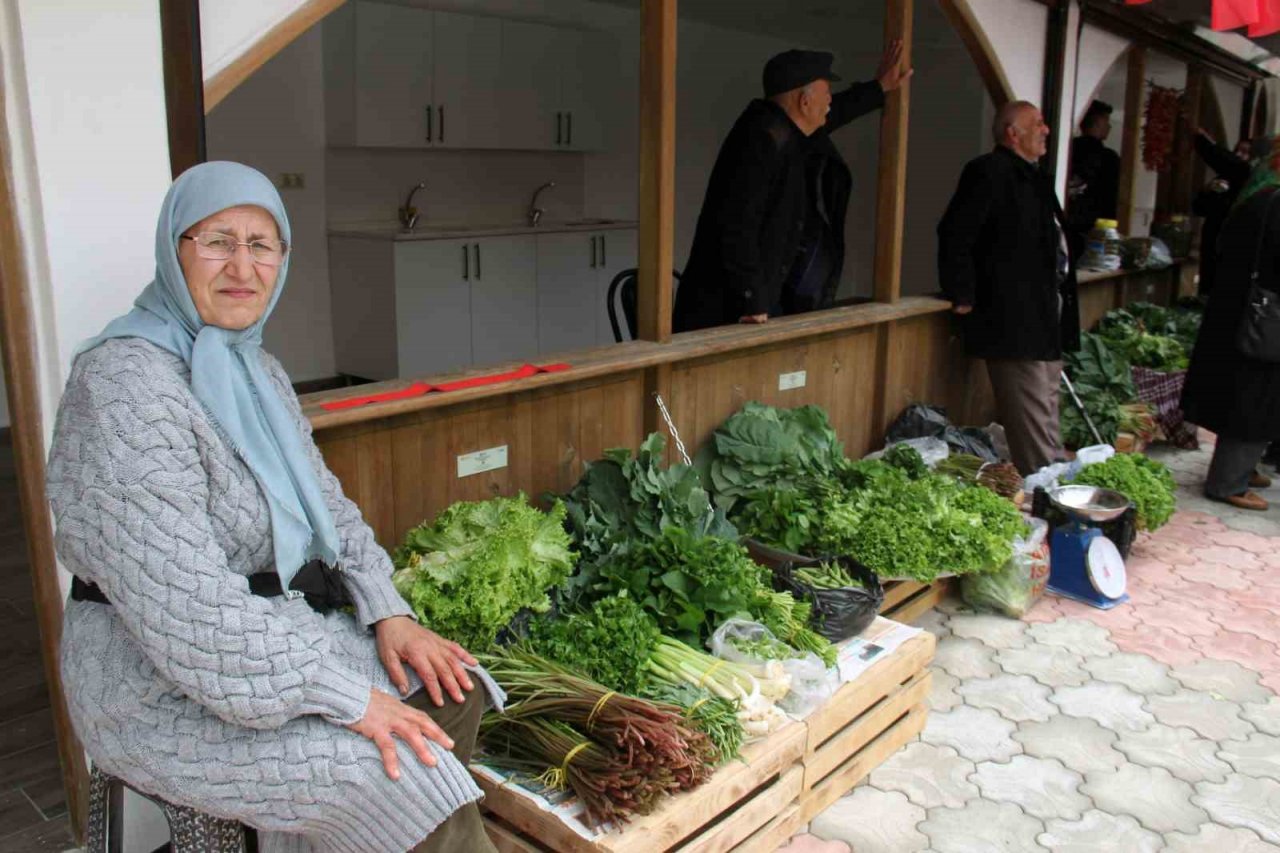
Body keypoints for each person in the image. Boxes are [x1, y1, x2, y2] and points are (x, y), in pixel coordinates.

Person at [46, 162, 502, 851]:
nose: (242, 265)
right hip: (152, 681)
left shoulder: (254, 367)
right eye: (217, 240)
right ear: (176, 249)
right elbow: (188, 611)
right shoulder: (123, 386)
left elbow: (328, 506)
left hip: (269, 636)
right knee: (398, 774)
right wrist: (349, 699)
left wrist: (388, 609)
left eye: (262, 244)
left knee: (450, 687)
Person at [672, 42, 913, 332]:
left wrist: (879, 88)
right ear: (804, 101)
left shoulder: (786, 130)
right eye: (826, 95)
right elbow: (736, 224)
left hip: (757, 299)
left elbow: (835, 115)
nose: (829, 104)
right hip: (728, 308)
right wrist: (752, 299)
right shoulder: (760, 141)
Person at [937, 101, 1081, 475]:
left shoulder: (1033, 177)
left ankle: (1053, 488)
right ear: (1012, 133)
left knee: (1046, 410)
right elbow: (956, 233)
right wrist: (962, 293)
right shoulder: (988, 171)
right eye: (1037, 124)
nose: (1046, 129)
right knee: (1032, 420)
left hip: (1045, 316)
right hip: (1013, 317)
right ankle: (1047, 493)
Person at [1181, 140, 1280, 511]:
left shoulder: (1257, 196)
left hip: (1239, 312)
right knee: (1257, 398)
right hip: (1264, 320)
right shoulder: (1275, 203)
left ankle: (1244, 469)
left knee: (1244, 395)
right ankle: (1229, 481)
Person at [1191, 128, 1252, 295]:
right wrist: (1207, 191)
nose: (1239, 155)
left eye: (1245, 152)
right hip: (1211, 244)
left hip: (1232, 250)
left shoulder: (1249, 178)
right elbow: (1198, 208)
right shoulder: (1221, 180)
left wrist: (1203, 141)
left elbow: (1222, 158)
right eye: (1237, 150)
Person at [1066, 100, 1121, 259]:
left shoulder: (1067, 148)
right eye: (1107, 122)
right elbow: (1112, 196)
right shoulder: (1108, 158)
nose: (1109, 127)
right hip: (1096, 229)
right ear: (1097, 123)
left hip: (1066, 223)